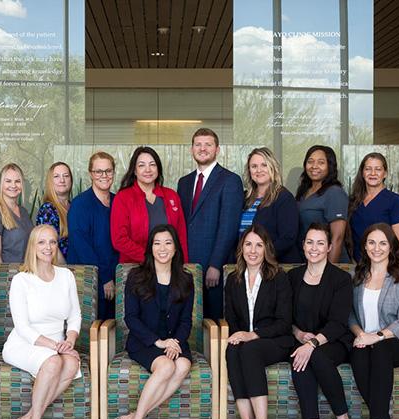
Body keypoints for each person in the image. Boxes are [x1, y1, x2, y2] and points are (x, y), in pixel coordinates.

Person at [2, 225, 83, 419]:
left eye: (52, 242)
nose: (48, 247)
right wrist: (57, 348)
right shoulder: (21, 280)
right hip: (25, 343)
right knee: (54, 361)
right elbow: (23, 327)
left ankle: (28, 417)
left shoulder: (66, 276)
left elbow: (75, 315)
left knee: (72, 363)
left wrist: (70, 340)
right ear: (32, 246)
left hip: (57, 343)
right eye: (41, 242)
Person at [115, 225, 194, 419]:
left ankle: (132, 416)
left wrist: (176, 342)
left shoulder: (186, 279)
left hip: (175, 340)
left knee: (183, 365)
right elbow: (130, 318)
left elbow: (186, 320)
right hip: (144, 341)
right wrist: (158, 342)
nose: (162, 248)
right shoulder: (136, 276)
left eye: (168, 242)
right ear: (150, 248)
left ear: (176, 248)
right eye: (157, 243)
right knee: (167, 368)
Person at [348, 223, 399, 419]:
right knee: (358, 354)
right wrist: (360, 334)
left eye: (382, 243)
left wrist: (376, 337)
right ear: (365, 246)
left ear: (391, 247)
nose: (376, 248)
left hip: (396, 342)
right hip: (364, 340)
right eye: (371, 242)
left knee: (380, 351)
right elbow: (349, 314)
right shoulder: (356, 276)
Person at [223, 225, 293, 419]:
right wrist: (240, 337)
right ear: (241, 248)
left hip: (276, 341)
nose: (253, 250)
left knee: (249, 350)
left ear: (267, 249)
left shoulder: (278, 278)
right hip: (247, 343)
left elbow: (284, 322)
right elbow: (233, 322)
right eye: (248, 244)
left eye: (259, 245)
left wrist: (253, 335)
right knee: (233, 350)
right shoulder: (233, 280)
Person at [289, 224, 355, 419]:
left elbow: (338, 323)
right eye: (309, 242)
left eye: (320, 243)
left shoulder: (341, 279)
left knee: (314, 357)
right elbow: (286, 318)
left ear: (329, 247)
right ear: (303, 245)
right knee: (299, 363)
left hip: (334, 341)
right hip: (303, 340)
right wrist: (299, 335)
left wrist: (312, 343)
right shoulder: (293, 276)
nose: (314, 248)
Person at [177, 128, 244, 319]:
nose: (202, 148)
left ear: (217, 149)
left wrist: (215, 264)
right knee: (188, 320)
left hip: (214, 267)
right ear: (191, 150)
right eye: (198, 144)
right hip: (187, 266)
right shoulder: (184, 182)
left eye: (208, 144)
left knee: (214, 320)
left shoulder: (230, 180)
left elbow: (228, 227)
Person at [111, 146, 189, 263]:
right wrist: (150, 258)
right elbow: (119, 240)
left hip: (170, 267)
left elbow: (181, 236)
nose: (148, 170)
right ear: (135, 171)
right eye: (141, 165)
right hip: (135, 267)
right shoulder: (123, 198)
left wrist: (183, 264)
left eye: (152, 165)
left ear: (158, 169)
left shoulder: (171, 196)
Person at [67, 152, 120, 320]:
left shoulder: (118, 201)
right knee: (95, 333)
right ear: (90, 173)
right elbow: (82, 246)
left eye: (108, 171)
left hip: (115, 278)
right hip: (90, 280)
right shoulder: (80, 204)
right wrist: (104, 278)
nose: (104, 176)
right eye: (98, 171)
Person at [239, 147, 300, 263]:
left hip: (274, 266)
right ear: (249, 171)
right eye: (254, 166)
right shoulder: (244, 198)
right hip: (247, 264)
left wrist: (259, 255)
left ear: (272, 168)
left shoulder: (284, 198)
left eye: (264, 165)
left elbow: (287, 238)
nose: (259, 170)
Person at [348, 153, 399, 261]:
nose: (373, 173)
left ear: (385, 173)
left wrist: (379, 265)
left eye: (378, 169)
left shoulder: (395, 201)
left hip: (385, 265)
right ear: (362, 172)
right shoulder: (354, 200)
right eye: (368, 169)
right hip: (359, 266)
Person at [296, 145, 348, 263]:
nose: (314, 166)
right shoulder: (304, 192)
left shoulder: (334, 193)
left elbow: (337, 237)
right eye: (310, 161)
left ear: (330, 166)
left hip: (329, 264)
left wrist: (329, 273)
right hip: (308, 260)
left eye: (321, 162)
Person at [0, 163, 34, 263]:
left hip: (25, 273)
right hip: (7, 275)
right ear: (1, 184)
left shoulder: (23, 212)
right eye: (8, 181)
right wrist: (2, 277)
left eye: (17, 181)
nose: (13, 185)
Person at [35, 162, 74, 258]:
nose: (62, 180)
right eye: (56, 176)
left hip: (77, 266)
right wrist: (65, 269)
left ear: (71, 180)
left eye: (66, 176)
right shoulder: (47, 210)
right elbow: (49, 248)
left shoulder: (74, 207)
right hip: (59, 268)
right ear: (50, 182)